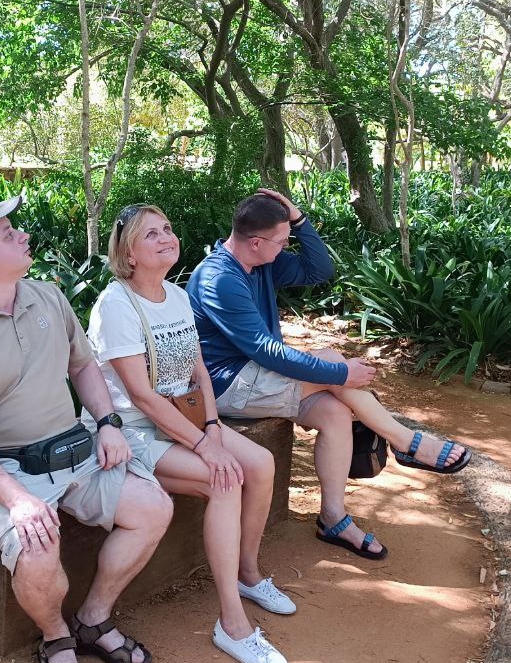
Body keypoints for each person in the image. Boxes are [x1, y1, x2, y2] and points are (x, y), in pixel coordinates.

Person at [0, 196, 174, 663]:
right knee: (38, 549)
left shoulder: (47, 297)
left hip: (74, 448)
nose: (24, 235)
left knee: (154, 508)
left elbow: (83, 366)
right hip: (6, 469)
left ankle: (93, 619)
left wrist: (107, 424)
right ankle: (56, 636)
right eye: (8, 233)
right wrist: (17, 499)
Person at [186, 188, 471, 561]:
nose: (286, 248)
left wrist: (299, 220)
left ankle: (333, 519)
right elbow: (265, 350)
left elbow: (320, 270)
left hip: (260, 377)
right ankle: (406, 442)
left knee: (335, 412)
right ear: (256, 243)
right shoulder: (220, 279)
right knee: (334, 362)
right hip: (227, 387)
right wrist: (338, 373)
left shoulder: (260, 262)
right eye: (282, 241)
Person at [80, 204, 291, 663]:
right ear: (129, 254)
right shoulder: (115, 305)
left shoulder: (176, 295)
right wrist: (204, 447)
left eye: (168, 229)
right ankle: (232, 624)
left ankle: (248, 573)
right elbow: (140, 396)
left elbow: (198, 372)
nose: (166, 238)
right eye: (151, 234)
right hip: (133, 430)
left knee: (260, 463)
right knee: (224, 479)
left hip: (185, 420)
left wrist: (212, 428)